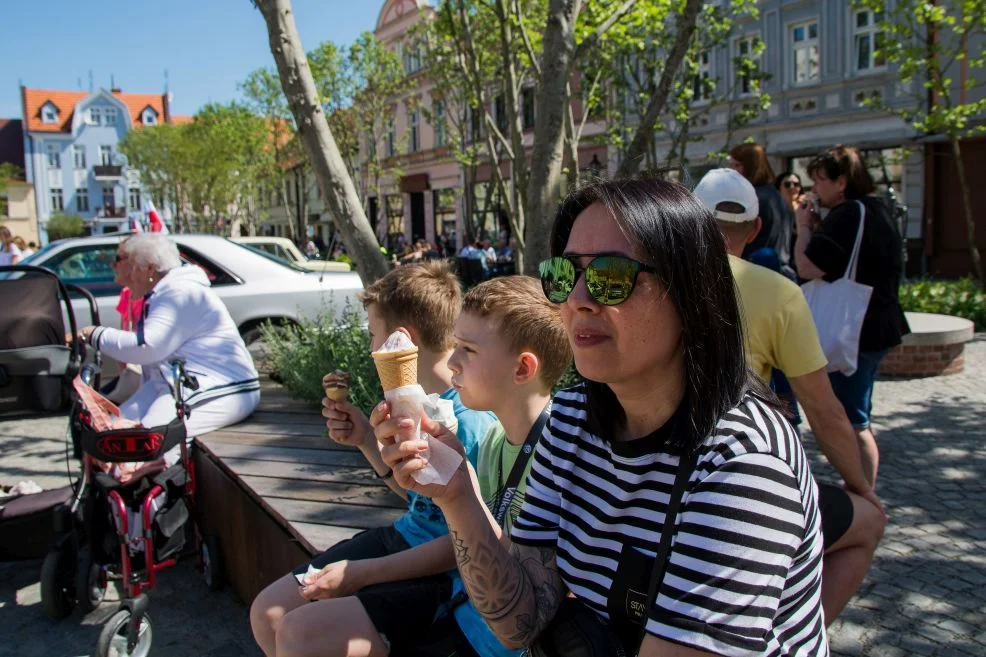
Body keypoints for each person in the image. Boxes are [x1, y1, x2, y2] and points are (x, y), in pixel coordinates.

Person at [378, 179, 828, 656]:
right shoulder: (571, 421)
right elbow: (520, 619)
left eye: (611, 276)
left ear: (691, 290)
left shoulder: (742, 464)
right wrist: (458, 495)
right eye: (563, 274)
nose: (576, 299)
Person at [250, 261, 498, 657]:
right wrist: (366, 439)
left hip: (441, 573)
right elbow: (422, 503)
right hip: (403, 537)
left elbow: (463, 538)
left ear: (401, 339)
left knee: (299, 634)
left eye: (372, 335)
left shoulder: (467, 421)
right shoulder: (420, 406)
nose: (369, 348)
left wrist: (360, 574)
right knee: (268, 612)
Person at [694, 167, 887, 624]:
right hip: (736, 483)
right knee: (870, 523)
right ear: (756, 228)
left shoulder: (649, 281)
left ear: (690, 221)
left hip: (650, 477)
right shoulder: (778, 293)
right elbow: (824, 411)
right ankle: (796, 640)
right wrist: (862, 489)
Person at [78, 234, 260, 482]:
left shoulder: (179, 293)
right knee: (110, 434)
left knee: (142, 444)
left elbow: (147, 347)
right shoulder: (166, 292)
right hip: (189, 383)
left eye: (122, 260)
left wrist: (93, 334)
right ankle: (124, 503)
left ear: (149, 268)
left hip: (223, 386)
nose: (117, 268)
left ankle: (148, 505)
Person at [795, 145, 910, 487]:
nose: (816, 189)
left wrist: (803, 227)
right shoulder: (876, 209)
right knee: (858, 413)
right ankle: (861, 490)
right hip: (878, 327)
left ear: (841, 182)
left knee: (852, 420)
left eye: (820, 180)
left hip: (857, 331)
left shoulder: (848, 215)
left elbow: (806, 266)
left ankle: (864, 495)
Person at [728, 143, 795, 278]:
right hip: (778, 274)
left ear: (751, 167)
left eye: (736, 166)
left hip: (759, 274)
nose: (731, 172)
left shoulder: (753, 198)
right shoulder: (774, 195)